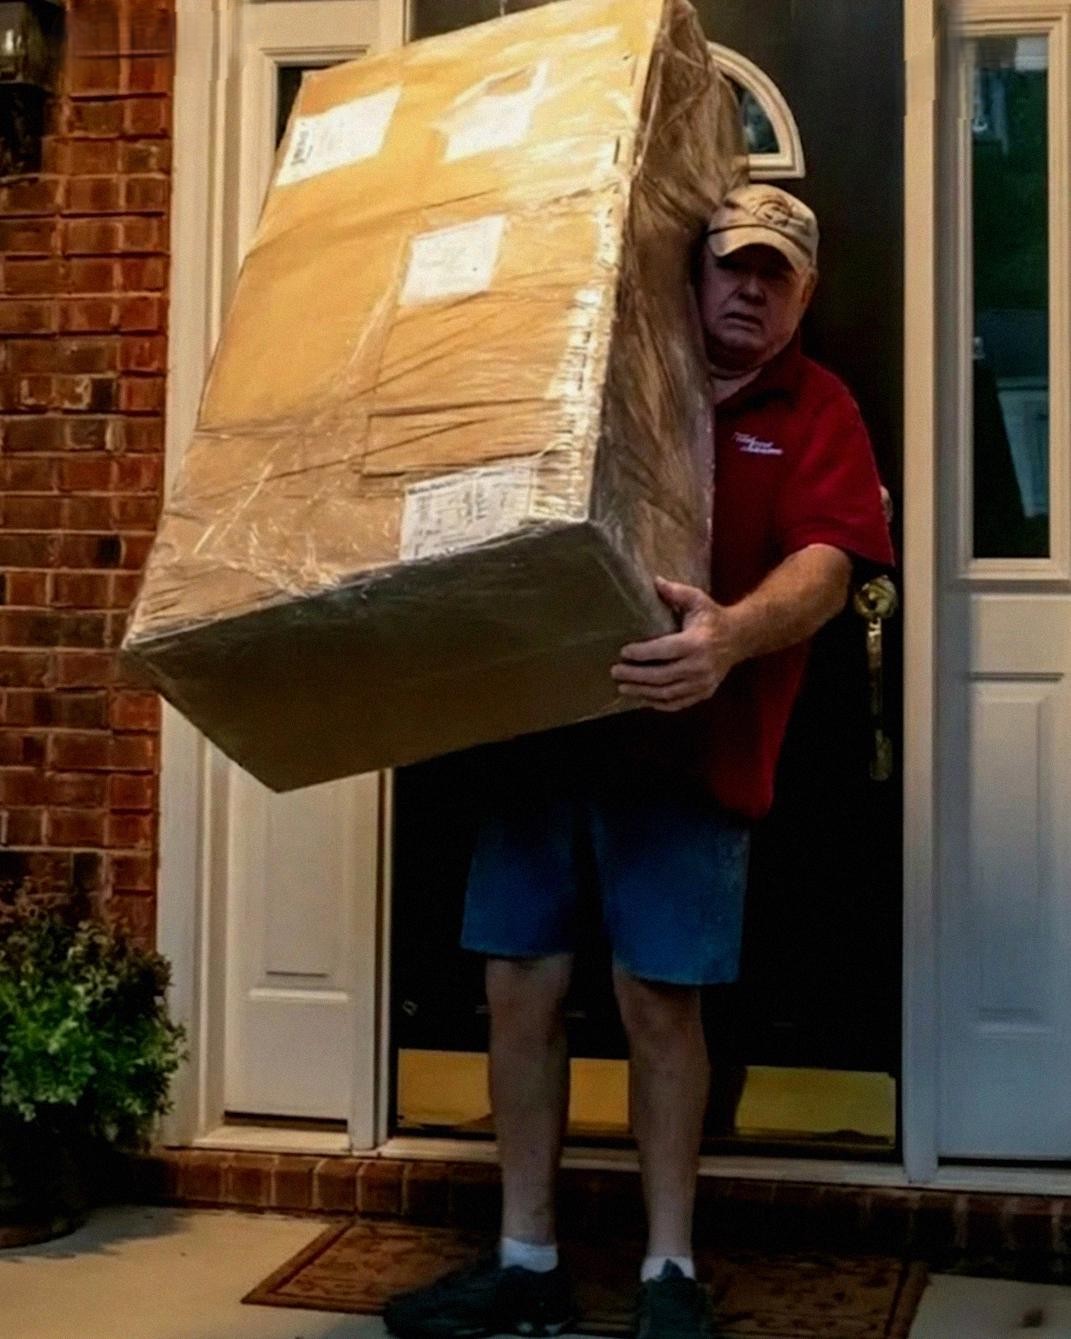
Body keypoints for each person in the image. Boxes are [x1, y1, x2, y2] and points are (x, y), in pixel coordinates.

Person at [384, 184, 894, 1339]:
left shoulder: (816, 407)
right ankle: (527, 1262)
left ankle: (670, 1271)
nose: (750, 291)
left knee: (660, 1002)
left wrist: (729, 637)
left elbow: (828, 565)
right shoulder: (601, 373)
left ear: (805, 294)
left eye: (775, 276)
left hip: (688, 751)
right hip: (540, 736)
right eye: (734, 267)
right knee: (519, 986)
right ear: (696, 274)